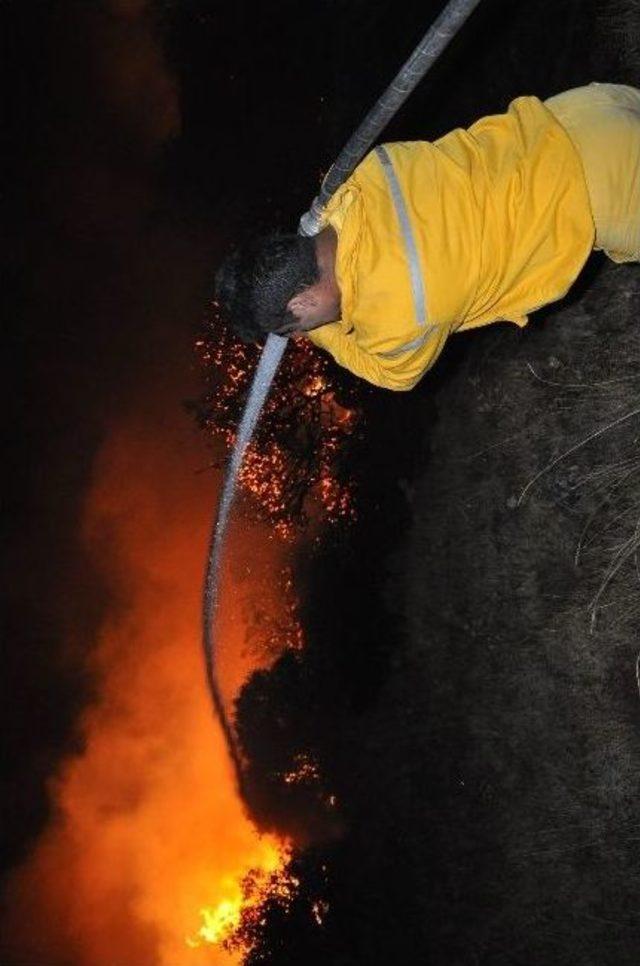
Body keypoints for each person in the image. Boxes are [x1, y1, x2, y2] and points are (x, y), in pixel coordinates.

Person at [216, 82, 640, 391]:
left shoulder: (398, 316)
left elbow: (396, 376)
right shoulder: (355, 181)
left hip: (602, 186)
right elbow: (329, 215)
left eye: (299, 323)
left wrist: (322, 336)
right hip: (576, 113)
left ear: (301, 301)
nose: (306, 329)